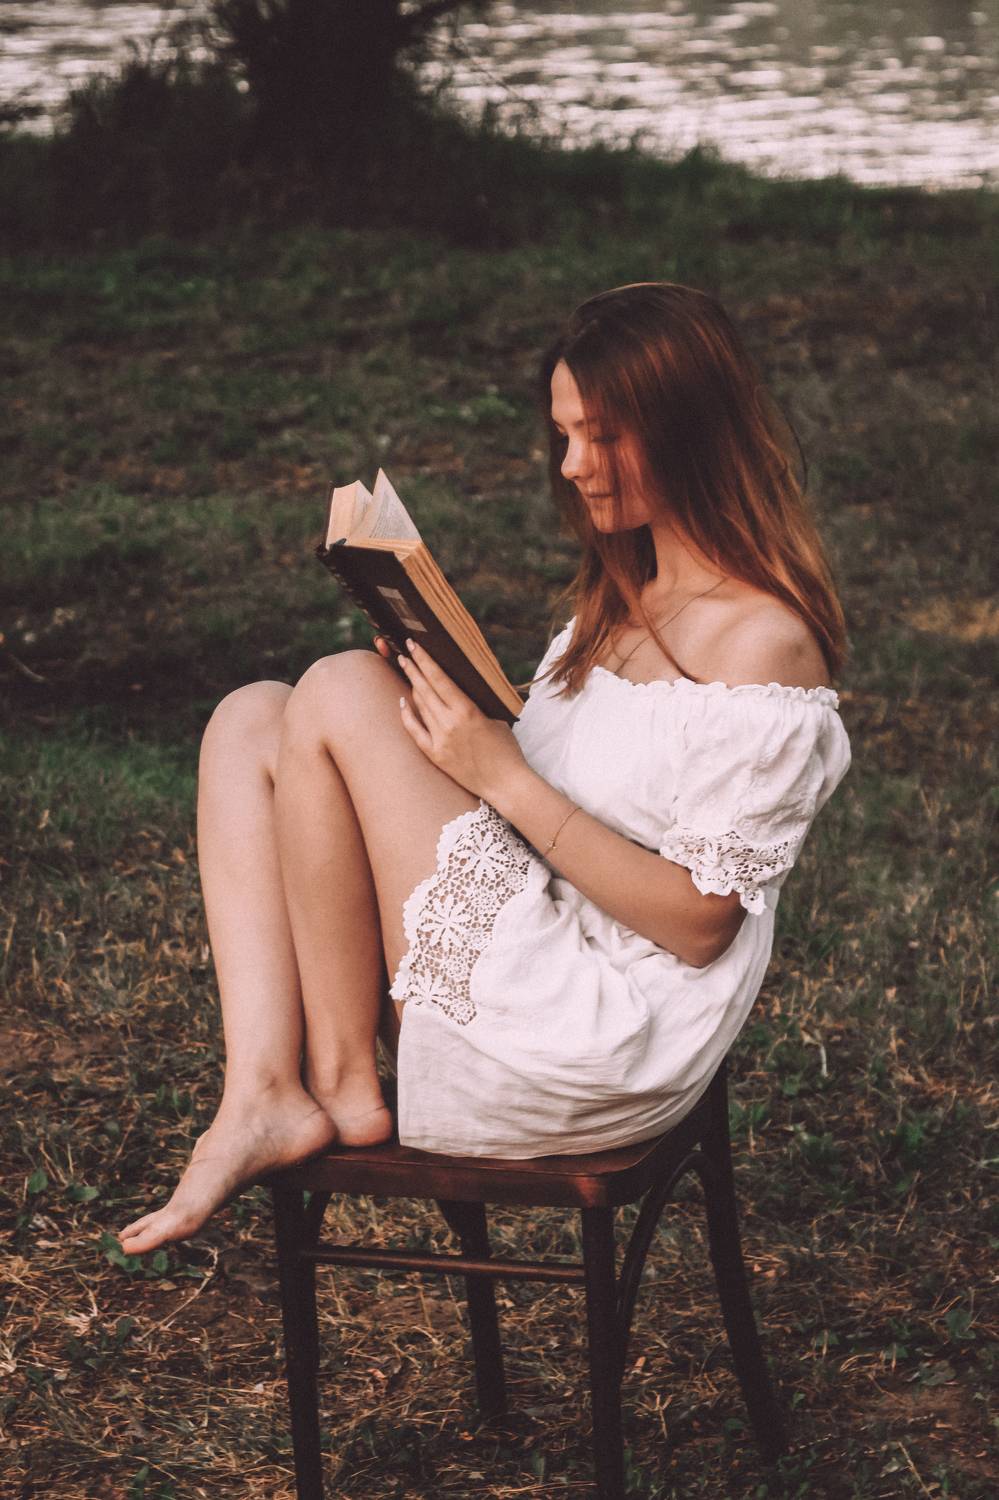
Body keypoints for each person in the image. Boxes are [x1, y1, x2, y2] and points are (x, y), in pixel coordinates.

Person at [119, 282, 850, 1256]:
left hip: (599, 1032)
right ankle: (262, 1089)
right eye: (564, 435)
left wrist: (493, 770)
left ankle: (342, 1079)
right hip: (531, 939)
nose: (574, 466)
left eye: (603, 436)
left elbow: (699, 923)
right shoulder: (617, 603)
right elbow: (572, 776)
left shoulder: (763, 643)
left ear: (691, 430)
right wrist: (439, 705)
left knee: (336, 689)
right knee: (250, 720)